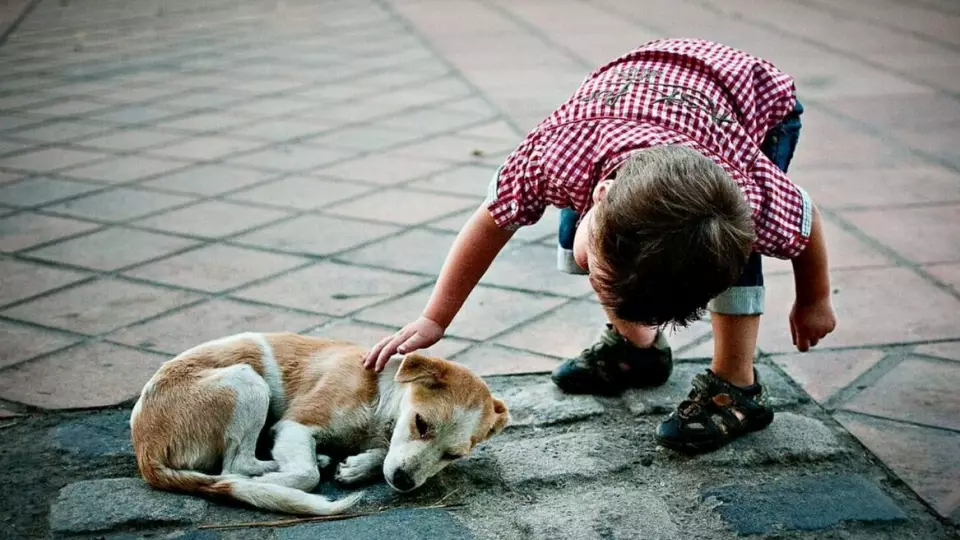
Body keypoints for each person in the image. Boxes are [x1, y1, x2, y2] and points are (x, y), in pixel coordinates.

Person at [364, 38, 837, 453]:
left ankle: (737, 386)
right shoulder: (552, 157)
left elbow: (804, 214)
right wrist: (435, 317)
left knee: (727, 249)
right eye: (600, 281)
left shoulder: (748, 191)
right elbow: (491, 222)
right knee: (578, 240)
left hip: (757, 106)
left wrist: (814, 299)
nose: (599, 287)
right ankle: (639, 352)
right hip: (641, 96)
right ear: (600, 194)